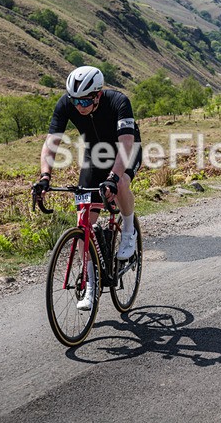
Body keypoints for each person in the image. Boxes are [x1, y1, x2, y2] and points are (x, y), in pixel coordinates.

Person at [33, 66, 142, 311]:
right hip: (95, 156)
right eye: (75, 100)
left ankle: (128, 231)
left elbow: (126, 145)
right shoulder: (66, 104)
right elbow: (51, 143)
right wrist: (45, 176)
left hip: (126, 150)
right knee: (84, 221)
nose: (79, 106)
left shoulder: (119, 102)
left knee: (121, 183)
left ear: (98, 95)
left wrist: (113, 177)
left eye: (84, 101)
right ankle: (92, 284)